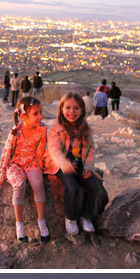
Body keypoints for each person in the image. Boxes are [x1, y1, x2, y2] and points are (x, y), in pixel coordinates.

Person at [46, 93, 103, 239]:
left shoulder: (85, 128)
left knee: (92, 184)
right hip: (60, 164)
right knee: (72, 187)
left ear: (82, 110)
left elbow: (90, 149)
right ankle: (70, 218)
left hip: (79, 163)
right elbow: (54, 148)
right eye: (68, 108)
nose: (72, 112)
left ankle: (86, 216)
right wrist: (63, 163)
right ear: (61, 109)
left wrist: (89, 167)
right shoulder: (56, 128)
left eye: (76, 108)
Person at [0, 96, 50, 242]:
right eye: (35, 114)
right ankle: (19, 224)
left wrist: (41, 166)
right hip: (16, 163)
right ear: (23, 116)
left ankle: (41, 220)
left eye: (40, 112)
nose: (40, 116)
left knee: (38, 185)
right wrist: (2, 170)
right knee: (19, 185)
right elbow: (7, 150)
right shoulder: (16, 131)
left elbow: (40, 151)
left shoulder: (42, 130)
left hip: (32, 162)